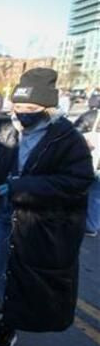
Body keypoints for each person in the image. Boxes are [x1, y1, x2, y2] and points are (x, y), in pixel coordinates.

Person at [0, 68, 94, 346]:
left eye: (31, 109)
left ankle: (9, 323)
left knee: (21, 273)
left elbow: (78, 181)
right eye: (18, 106)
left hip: (36, 221)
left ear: (48, 107)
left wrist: (22, 187)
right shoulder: (4, 127)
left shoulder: (65, 138)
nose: (22, 113)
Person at [73, 92, 100, 237]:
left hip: (88, 161)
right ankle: (92, 225)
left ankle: (76, 221)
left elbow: (74, 132)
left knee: (79, 191)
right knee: (96, 196)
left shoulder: (91, 116)